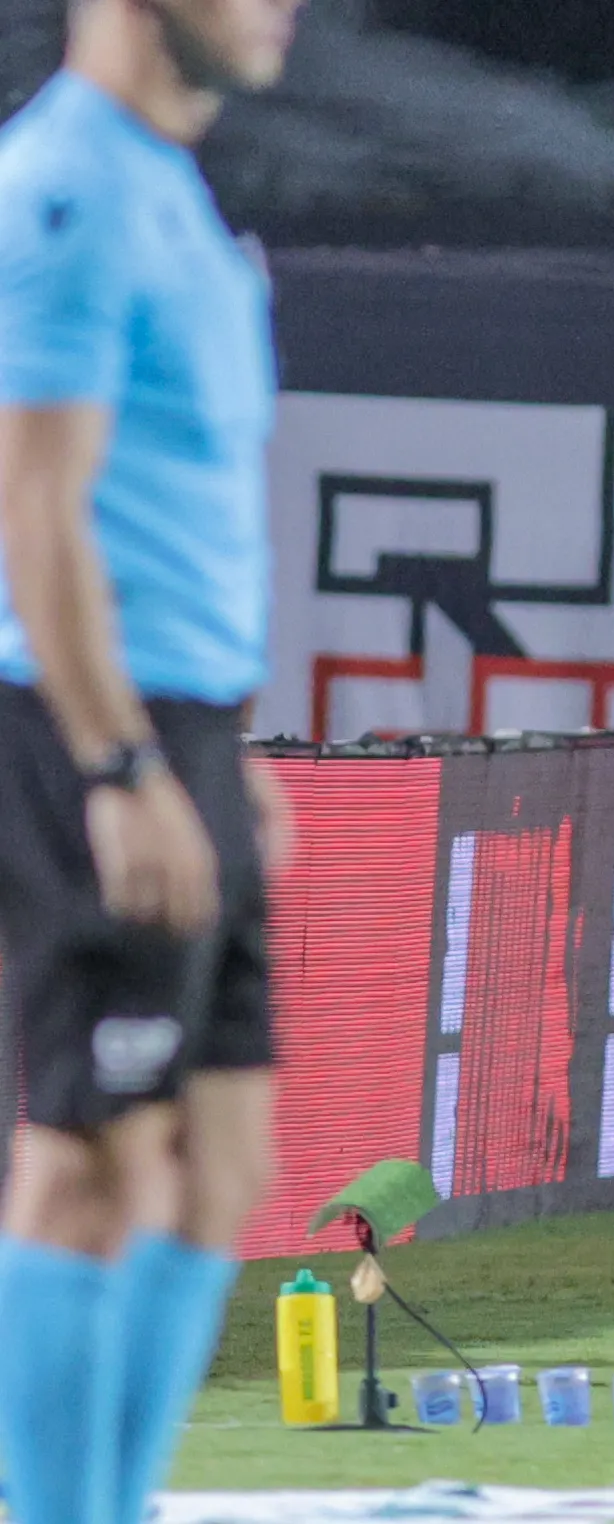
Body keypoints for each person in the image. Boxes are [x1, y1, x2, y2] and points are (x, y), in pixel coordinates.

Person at [0, 1, 307, 1520]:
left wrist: (223, 749)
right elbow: (33, 506)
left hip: (186, 723)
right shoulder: (62, 189)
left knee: (221, 1162)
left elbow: (176, 510)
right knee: (91, 1156)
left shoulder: (172, 189)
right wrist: (117, 765)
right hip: (83, 722)